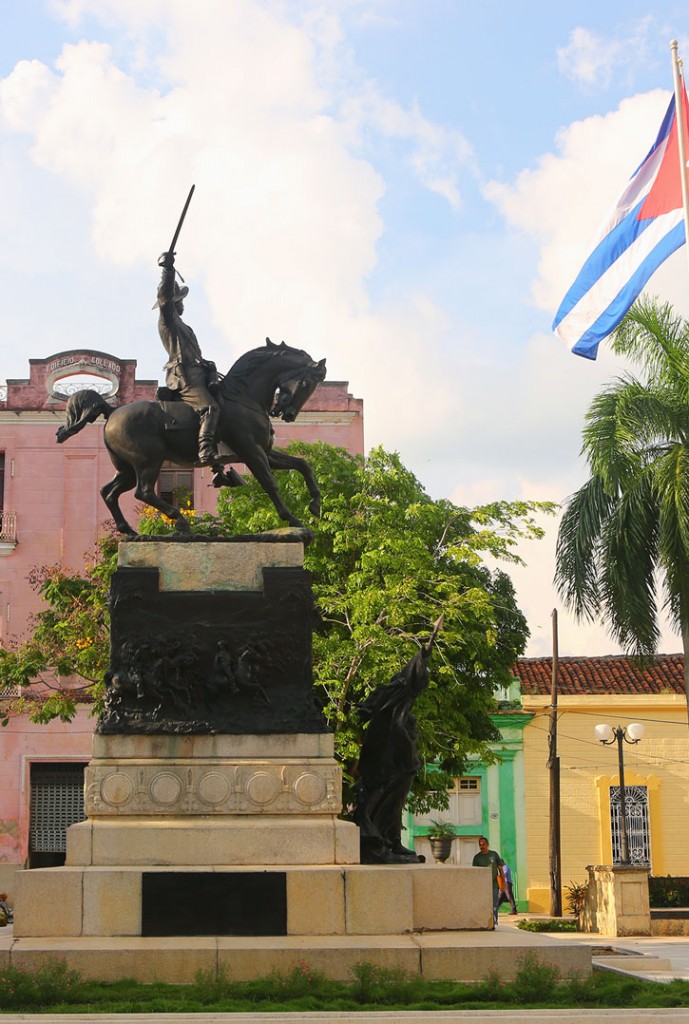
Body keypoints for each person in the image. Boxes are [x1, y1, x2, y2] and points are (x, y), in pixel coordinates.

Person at [154, 250, 220, 467]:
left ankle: (220, 465)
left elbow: (196, 356)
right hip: (184, 377)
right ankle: (206, 453)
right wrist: (168, 270)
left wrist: (207, 365)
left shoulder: (187, 328)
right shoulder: (168, 322)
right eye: (179, 299)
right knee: (210, 408)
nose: (182, 303)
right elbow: (164, 300)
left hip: (198, 373)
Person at [472, 835, 505, 926]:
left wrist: (503, 883)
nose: (482, 846)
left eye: (483, 844)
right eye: (480, 845)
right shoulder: (477, 858)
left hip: (494, 885)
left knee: (494, 905)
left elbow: (500, 869)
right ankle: (485, 922)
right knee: (484, 906)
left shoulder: (493, 855)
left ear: (487, 844)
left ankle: (495, 922)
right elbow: (475, 874)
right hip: (483, 887)